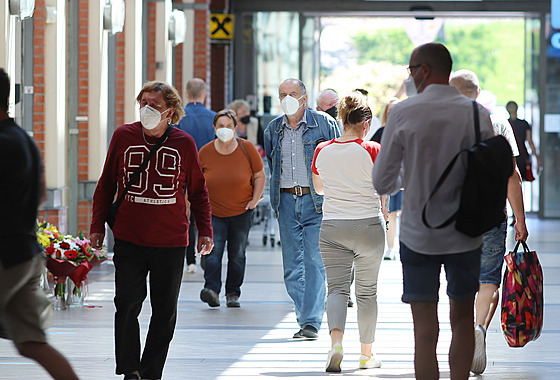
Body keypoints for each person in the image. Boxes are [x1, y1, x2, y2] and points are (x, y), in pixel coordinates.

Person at [372, 43, 495, 380]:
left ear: (423, 70)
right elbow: (487, 173)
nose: (409, 77)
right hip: (465, 234)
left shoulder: (403, 112)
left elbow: (382, 182)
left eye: (411, 70)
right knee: (462, 321)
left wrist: (409, 176)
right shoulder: (475, 113)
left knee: (424, 329)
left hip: (417, 235)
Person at [90, 81, 214, 380]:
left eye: (154, 105)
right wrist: (96, 227)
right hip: (130, 238)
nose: (146, 110)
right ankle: (130, 369)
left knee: (164, 310)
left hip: (171, 241)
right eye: (143, 103)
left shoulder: (183, 143)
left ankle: (150, 372)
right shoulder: (124, 136)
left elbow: (198, 192)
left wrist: (206, 231)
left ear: (169, 112)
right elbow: (106, 185)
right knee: (127, 304)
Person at [0, 68, 79, 380]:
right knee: (32, 343)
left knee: (32, 343)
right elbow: (42, 195)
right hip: (25, 255)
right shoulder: (22, 140)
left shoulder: (4, 143)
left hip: (5, 256)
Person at [449, 69, 529, 374]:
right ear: (478, 92)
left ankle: (463, 334)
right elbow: (513, 176)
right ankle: (479, 329)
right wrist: (519, 220)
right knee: (488, 279)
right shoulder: (498, 123)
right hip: (493, 215)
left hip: (454, 217)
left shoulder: (443, 123)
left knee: (458, 281)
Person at [312, 92, 385, 372]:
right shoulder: (372, 150)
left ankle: (336, 345)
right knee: (367, 293)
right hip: (368, 225)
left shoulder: (322, 150)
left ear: (341, 119)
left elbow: (319, 189)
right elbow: (383, 186)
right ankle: (366, 355)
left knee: (337, 289)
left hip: (332, 226)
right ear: (365, 123)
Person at [264, 78, 340, 339]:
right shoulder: (273, 129)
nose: (287, 98)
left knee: (313, 261)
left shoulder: (324, 124)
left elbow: (338, 156)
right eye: (282, 93)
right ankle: (306, 312)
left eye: (292, 93)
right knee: (291, 267)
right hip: (286, 201)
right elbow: (274, 167)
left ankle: (310, 321)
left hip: (315, 201)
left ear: (304, 98)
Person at [198, 109, 266, 308]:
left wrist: (254, 200)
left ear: (236, 128)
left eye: (229, 126)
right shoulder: (205, 151)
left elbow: (259, 175)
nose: (225, 129)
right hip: (213, 212)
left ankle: (232, 293)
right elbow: (196, 181)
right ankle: (211, 289)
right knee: (213, 252)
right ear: (214, 128)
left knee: (237, 255)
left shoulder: (247, 148)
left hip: (241, 211)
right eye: (221, 126)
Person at [177, 78, 216, 273]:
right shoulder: (214, 119)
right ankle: (207, 255)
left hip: (183, 174)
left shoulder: (179, 118)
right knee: (208, 213)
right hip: (209, 174)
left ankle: (190, 260)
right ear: (204, 94)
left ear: (185, 94)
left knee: (187, 216)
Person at [371, 98, 401, 260]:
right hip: (388, 179)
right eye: (390, 111)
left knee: (400, 214)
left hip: (406, 178)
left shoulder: (408, 130)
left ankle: (397, 247)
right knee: (389, 213)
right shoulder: (381, 132)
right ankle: (389, 248)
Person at [506, 100, 542, 181]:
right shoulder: (524, 124)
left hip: (509, 156)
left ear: (507, 110)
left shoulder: (505, 124)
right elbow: (530, 141)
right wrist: (537, 158)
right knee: (521, 181)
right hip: (522, 155)